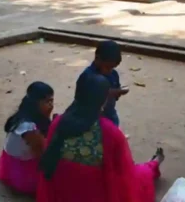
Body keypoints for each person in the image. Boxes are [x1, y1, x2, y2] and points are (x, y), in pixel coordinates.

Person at [37, 74, 163, 202]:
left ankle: (153, 163)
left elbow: (49, 165)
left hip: (61, 193)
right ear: (103, 101)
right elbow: (124, 173)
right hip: (97, 194)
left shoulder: (58, 123)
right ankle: (153, 164)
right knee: (140, 176)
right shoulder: (109, 132)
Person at [0, 81, 54, 194]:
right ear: (35, 103)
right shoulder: (28, 128)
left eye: (52, 101)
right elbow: (44, 154)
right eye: (47, 101)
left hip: (10, 168)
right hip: (23, 176)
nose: (51, 105)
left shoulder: (22, 116)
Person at [81, 40, 128, 127]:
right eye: (107, 67)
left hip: (110, 114)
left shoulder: (113, 74)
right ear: (97, 58)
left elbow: (115, 97)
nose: (109, 71)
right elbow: (87, 98)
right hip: (91, 118)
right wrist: (115, 92)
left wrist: (119, 92)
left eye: (112, 67)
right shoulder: (87, 76)